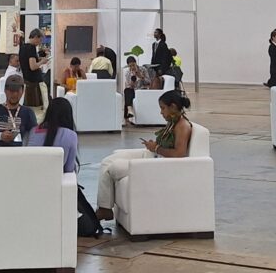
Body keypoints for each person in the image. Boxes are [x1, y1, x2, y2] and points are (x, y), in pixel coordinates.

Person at [95, 90, 192, 221]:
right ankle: (104, 208)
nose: (161, 112)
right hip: (152, 154)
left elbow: (179, 154)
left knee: (114, 168)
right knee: (106, 161)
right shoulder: (173, 121)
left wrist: (156, 148)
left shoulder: (182, 126)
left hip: (157, 162)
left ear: (173, 107)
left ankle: (104, 209)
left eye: (163, 108)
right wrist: (154, 146)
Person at [0, 74, 37, 145]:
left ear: (22, 91)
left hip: (17, 150)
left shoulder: (28, 112)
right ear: (5, 90)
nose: (15, 94)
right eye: (11, 91)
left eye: (17, 91)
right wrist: (0, 136)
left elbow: (34, 136)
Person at [26, 96, 79, 172]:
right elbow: (69, 169)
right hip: (56, 177)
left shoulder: (33, 131)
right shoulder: (71, 135)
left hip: (32, 174)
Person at [19, 29, 49, 115]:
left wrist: (38, 59)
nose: (40, 43)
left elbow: (28, 61)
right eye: (40, 40)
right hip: (34, 82)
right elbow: (33, 66)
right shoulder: (31, 48)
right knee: (36, 109)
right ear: (35, 37)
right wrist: (42, 62)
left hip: (27, 80)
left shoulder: (23, 47)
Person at [123, 55, 152, 123]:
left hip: (142, 89)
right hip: (133, 90)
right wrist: (132, 81)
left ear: (136, 63)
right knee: (127, 91)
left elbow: (149, 82)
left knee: (128, 95)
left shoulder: (143, 69)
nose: (132, 67)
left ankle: (128, 114)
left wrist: (141, 76)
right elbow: (129, 86)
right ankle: (130, 109)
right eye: (130, 66)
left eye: (133, 65)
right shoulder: (128, 73)